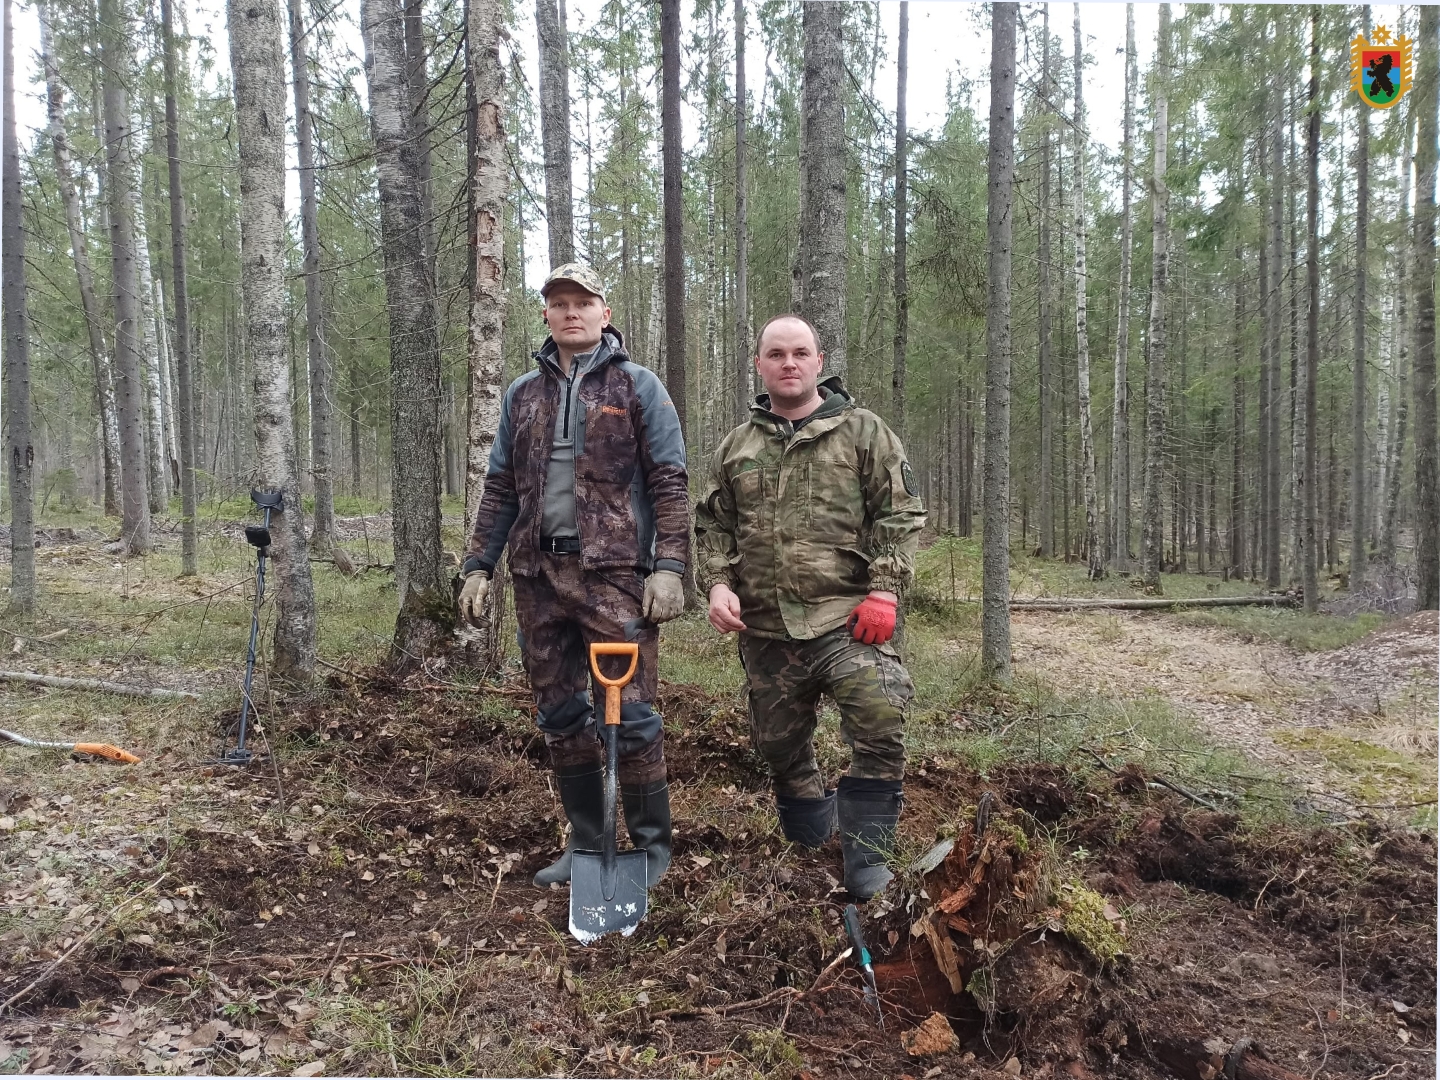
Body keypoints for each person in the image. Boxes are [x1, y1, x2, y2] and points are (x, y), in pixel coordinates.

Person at [458, 262, 689, 888]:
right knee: (560, 714)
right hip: (537, 575)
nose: (570, 312)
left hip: (614, 576)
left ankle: (650, 849)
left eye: (582, 302)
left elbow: (669, 481)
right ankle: (588, 843)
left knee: (632, 715)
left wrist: (669, 568)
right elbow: (501, 486)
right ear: (546, 315)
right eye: (558, 303)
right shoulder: (522, 394)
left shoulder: (638, 387)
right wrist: (479, 563)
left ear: (603, 313)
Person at [694, 313, 925, 898]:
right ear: (760, 365)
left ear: (819, 362)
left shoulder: (862, 431)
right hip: (766, 628)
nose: (789, 363)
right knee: (778, 745)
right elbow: (714, 525)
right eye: (777, 354)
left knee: (880, 716)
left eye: (800, 353)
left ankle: (868, 859)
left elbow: (898, 513)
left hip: (847, 620)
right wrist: (718, 584)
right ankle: (806, 840)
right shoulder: (738, 445)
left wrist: (884, 589)